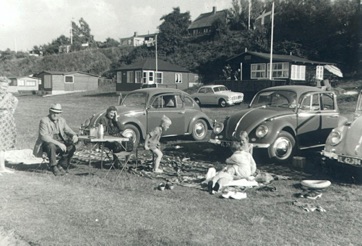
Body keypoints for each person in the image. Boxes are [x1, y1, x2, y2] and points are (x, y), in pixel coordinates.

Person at [33, 103, 78, 176]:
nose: (55, 115)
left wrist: (74, 135)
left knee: (71, 147)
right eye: (53, 112)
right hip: (46, 143)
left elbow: (67, 130)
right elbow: (44, 137)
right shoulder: (44, 121)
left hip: (59, 141)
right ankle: (53, 166)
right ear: (50, 112)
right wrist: (59, 144)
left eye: (57, 113)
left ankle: (61, 165)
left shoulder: (62, 120)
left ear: (60, 114)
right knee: (51, 146)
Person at [0, 76, 18, 175]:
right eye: (2, 86)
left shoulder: (9, 95)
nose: (4, 88)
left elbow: (16, 101)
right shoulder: (5, 96)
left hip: (6, 122)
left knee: (3, 146)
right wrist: (6, 98)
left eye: (6, 86)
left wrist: (11, 112)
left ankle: (2, 168)